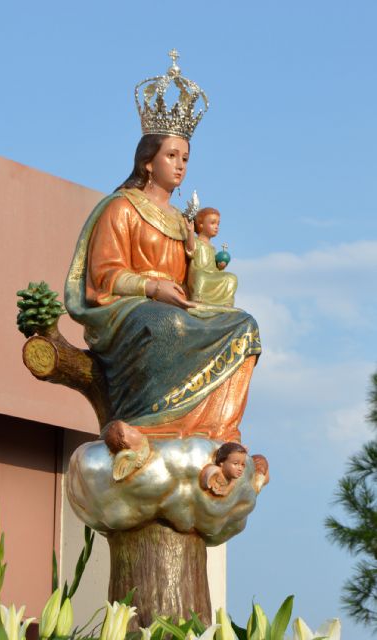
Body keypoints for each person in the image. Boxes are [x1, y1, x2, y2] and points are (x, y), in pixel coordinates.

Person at [64, 53, 261, 441]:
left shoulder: (181, 221)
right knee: (165, 324)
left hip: (180, 306)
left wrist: (206, 266)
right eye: (171, 155)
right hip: (127, 311)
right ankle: (153, 423)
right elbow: (103, 275)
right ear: (148, 161)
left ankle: (218, 429)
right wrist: (152, 287)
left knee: (245, 327)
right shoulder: (122, 208)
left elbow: (191, 282)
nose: (180, 165)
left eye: (185, 157)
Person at [185, 207, 238, 308]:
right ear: (201, 224)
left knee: (231, 278)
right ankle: (197, 298)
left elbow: (214, 267)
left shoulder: (213, 248)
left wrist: (220, 266)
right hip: (199, 275)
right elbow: (190, 251)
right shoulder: (196, 241)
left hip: (211, 275)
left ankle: (226, 301)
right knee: (200, 275)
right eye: (213, 223)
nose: (216, 227)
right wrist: (190, 232)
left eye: (218, 224)